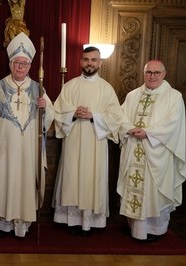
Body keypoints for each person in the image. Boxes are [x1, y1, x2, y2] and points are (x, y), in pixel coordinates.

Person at [0, 32, 54, 237]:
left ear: (30, 66)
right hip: (4, 149)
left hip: (28, 151)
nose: (20, 67)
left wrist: (46, 108)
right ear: (10, 64)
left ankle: (21, 224)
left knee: (25, 183)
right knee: (3, 182)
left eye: (24, 64)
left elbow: (49, 119)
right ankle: (2, 224)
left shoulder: (38, 88)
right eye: (17, 63)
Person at [52, 46, 122, 236]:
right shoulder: (70, 86)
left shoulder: (106, 89)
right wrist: (72, 114)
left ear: (100, 63)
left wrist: (93, 116)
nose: (89, 63)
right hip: (73, 141)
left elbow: (116, 117)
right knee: (72, 177)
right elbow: (56, 112)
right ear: (81, 62)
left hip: (95, 143)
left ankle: (90, 223)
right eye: (86, 59)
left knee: (92, 178)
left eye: (93, 60)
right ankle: (71, 220)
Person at [117, 60, 186, 241]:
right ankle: (135, 228)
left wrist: (148, 132)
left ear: (164, 74)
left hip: (158, 154)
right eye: (149, 72)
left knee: (154, 191)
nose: (152, 76)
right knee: (134, 188)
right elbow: (120, 117)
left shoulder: (174, 96)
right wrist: (130, 128)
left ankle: (155, 229)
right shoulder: (132, 95)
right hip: (133, 149)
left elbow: (173, 124)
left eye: (156, 73)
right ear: (144, 73)